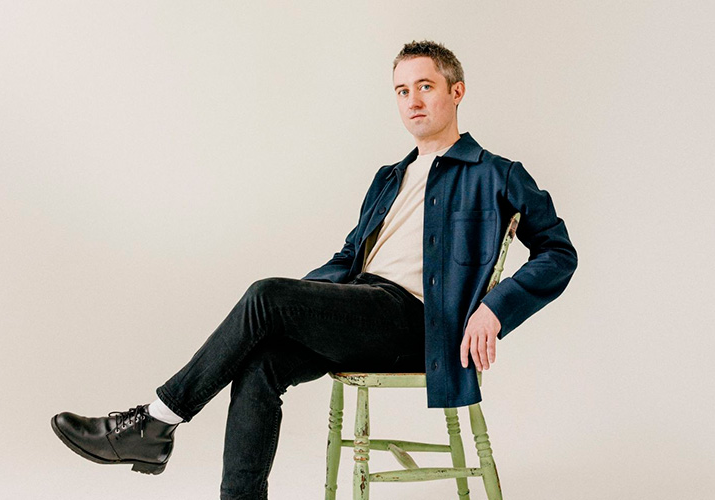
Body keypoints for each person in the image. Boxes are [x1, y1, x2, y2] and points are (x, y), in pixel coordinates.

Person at [51, 40, 577, 500]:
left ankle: (155, 422)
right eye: (401, 91)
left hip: (419, 323)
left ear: (456, 92)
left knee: (266, 295)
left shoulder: (496, 174)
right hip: (363, 308)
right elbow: (349, 258)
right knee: (260, 363)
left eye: (425, 86)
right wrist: (296, 307)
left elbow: (558, 252)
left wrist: (494, 308)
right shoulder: (389, 178)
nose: (412, 100)